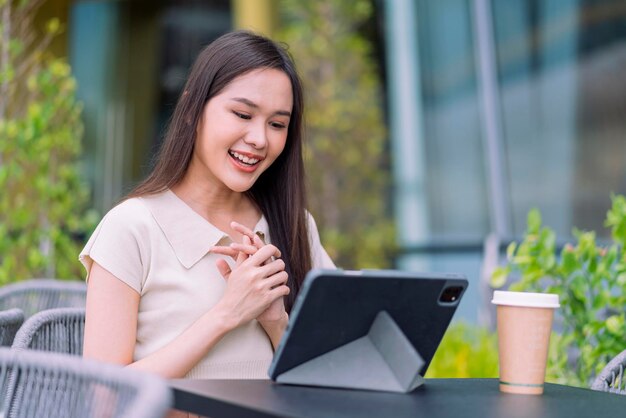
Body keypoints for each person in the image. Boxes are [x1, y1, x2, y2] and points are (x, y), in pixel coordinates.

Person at [79, 30, 335, 380]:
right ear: (192, 110)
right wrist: (227, 314)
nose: (259, 139)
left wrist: (276, 323)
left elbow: (330, 378)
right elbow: (103, 398)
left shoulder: (295, 225)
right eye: (243, 115)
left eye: (277, 124)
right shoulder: (131, 228)